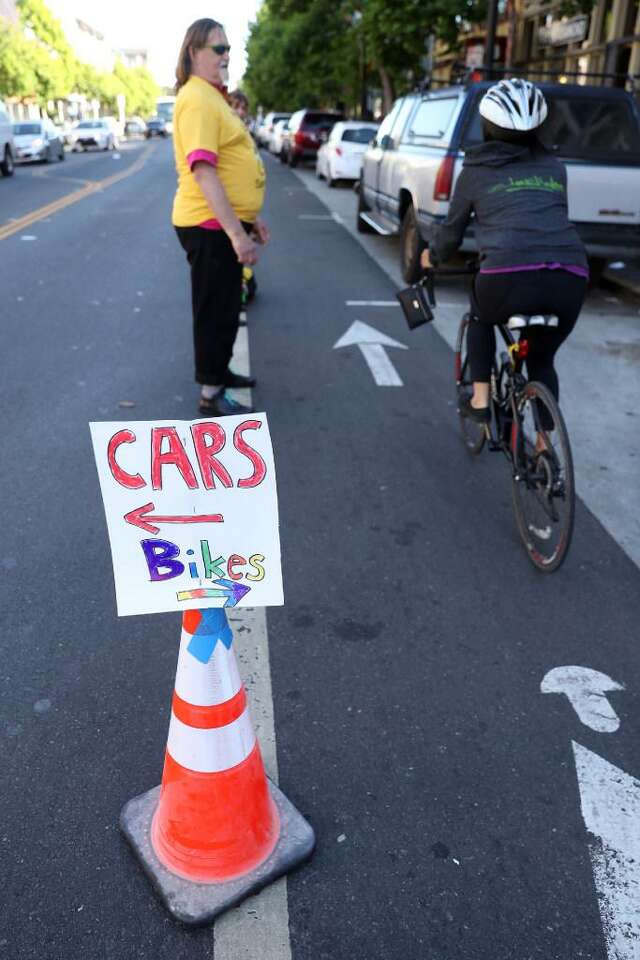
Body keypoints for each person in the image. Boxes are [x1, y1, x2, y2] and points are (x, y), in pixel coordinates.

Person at [421, 78, 587, 433]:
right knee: (542, 360)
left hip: (506, 276)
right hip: (571, 277)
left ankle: (480, 400)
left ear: (487, 127)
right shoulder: (555, 168)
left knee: (480, 316)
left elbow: (450, 234)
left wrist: (430, 258)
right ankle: (545, 453)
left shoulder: (475, 172)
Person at [172, 18, 270, 416]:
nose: (226, 54)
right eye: (218, 48)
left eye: (228, 48)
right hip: (207, 225)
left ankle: (221, 372)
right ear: (194, 52)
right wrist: (236, 233)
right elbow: (204, 170)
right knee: (215, 309)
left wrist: (251, 218)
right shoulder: (196, 98)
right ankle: (209, 393)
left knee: (230, 306)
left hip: (225, 224)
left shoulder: (214, 97)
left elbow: (233, 161)